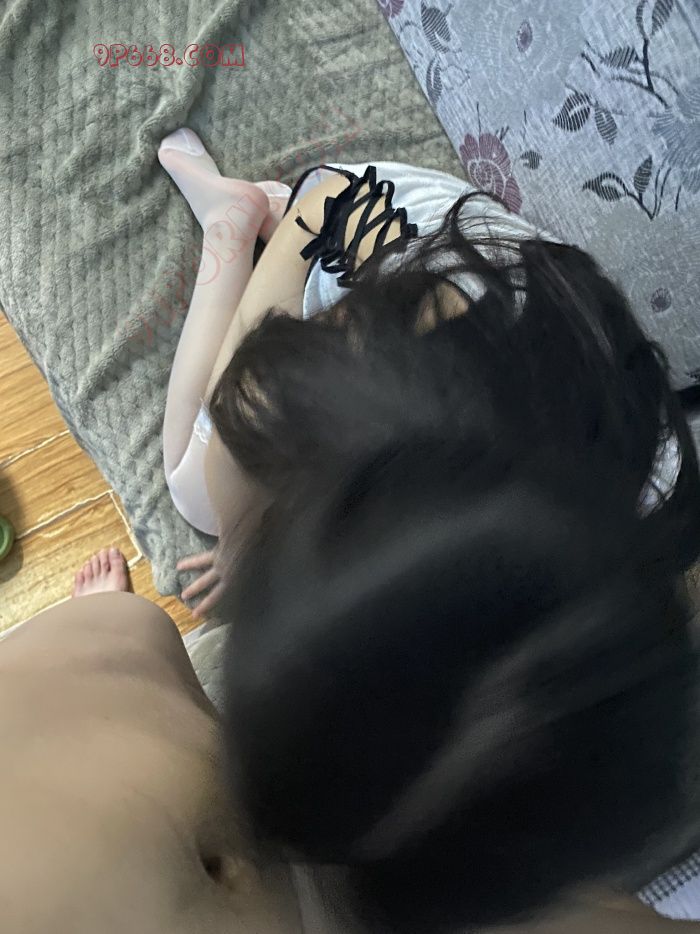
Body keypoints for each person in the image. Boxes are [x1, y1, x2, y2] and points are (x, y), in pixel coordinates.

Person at [152, 128, 700, 932]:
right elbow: (250, 405)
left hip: (460, 342)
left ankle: (236, 228)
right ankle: (243, 220)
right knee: (198, 489)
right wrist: (242, 540)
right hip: (341, 220)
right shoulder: (334, 383)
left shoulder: (639, 514)